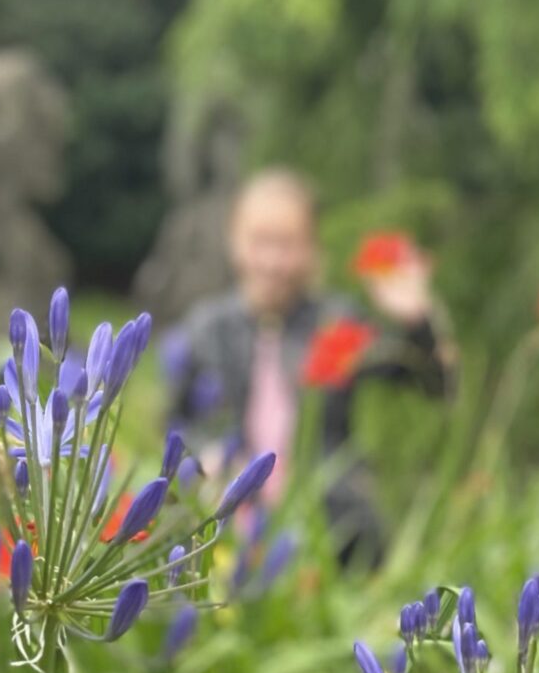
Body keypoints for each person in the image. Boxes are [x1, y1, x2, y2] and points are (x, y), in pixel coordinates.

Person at [165, 169, 453, 566]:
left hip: (335, 534)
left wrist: (418, 320)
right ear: (234, 241)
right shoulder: (206, 327)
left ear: (313, 248)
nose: (272, 261)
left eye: (287, 244)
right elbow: (176, 425)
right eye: (260, 241)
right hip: (224, 529)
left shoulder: (338, 322)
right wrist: (204, 458)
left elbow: (433, 384)